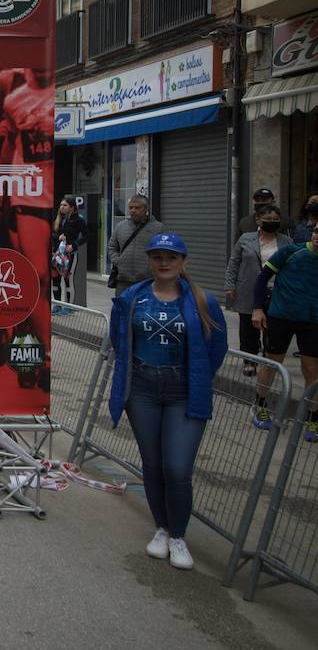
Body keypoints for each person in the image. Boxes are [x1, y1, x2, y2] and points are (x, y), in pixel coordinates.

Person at [109, 234, 226, 570]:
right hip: (142, 391)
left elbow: (215, 348)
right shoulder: (132, 297)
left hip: (183, 393)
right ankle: (161, 528)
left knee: (177, 469)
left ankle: (179, 536)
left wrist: (196, 376)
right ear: (149, 260)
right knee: (154, 464)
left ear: (183, 262)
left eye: (171, 257)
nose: (164, 263)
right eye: (158, 256)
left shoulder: (204, 301)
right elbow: (121, 340)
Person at [251, 233, 318, 441]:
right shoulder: (291, 251)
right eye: (317, 231)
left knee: (312, 368)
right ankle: (260, 405)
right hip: (281, 316)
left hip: (313, 320)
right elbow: (262, 278)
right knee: (272, 363)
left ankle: (312, 417)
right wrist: (257, 309)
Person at [225, 204, 291, 381]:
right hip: (249, 289)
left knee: (273, 328)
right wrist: (230, 285)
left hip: (277, 291)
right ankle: (249, 360)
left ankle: (269, 363)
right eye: (267, 219)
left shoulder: (286, 241)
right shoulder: (246, 239)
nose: (271, 222)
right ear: (258, 220)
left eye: (275, 220)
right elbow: (234, 263)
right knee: (248, 328)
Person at [108, 195, 165, 295]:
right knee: (122, 309)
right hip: (123, 281)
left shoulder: (158, 228)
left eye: (137, 208)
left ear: (146, 208)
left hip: (147, 281)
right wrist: (118, 261)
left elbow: (164, 252)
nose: (133, 210)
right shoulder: (121, 226)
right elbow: (112, 246)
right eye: (131, 207)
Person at [51, 196, 88, 311]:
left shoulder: (78, 219)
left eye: (65, 205)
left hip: (70, 255)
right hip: (56, 255)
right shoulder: (58, 219)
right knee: (55, 280)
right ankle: (57, 305)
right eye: (61, 205)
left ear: (72, 207)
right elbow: (50, 234)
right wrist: (58, 237)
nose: (62, 207)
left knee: (68, 280)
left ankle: (68, 307)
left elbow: (87, 235)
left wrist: (74, 245)